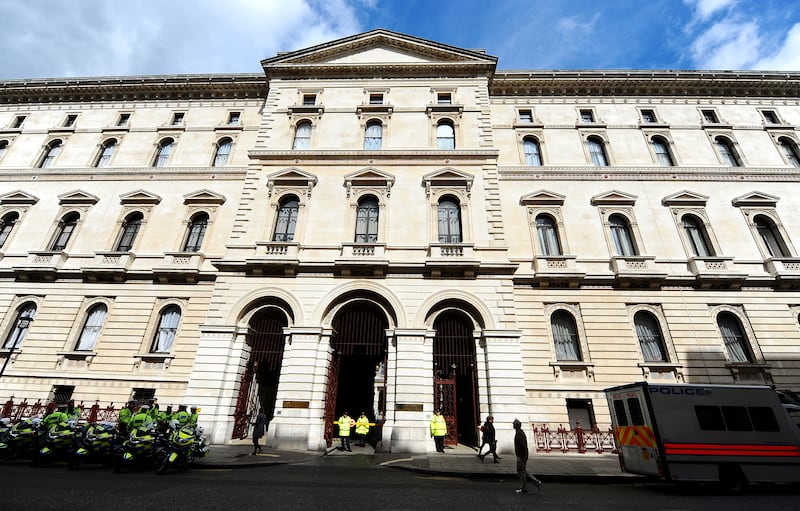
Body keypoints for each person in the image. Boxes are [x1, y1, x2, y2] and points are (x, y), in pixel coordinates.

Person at [513, 418, 542, 495]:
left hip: (521, 455)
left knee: (520, 470)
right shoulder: (520, 432)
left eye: (514, 424)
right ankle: (535, 482)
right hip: (523, 454)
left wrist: (519, 454)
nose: (513, 425)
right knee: (522, 470)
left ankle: (525, 488)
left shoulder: (519, 433)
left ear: (516, 425)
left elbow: (522, 445)